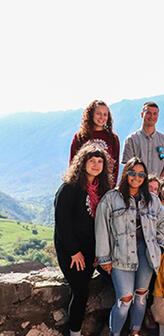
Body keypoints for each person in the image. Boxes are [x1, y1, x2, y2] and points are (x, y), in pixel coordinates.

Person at [95, 157, 164, 336]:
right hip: (120, 255)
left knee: (141, 296)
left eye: (141, 174)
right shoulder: (111, 198)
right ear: (126, 173)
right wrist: (104, 258)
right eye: (133, 173)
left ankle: (134, 332)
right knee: (125, 299)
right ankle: (115, 333)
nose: (137, 177)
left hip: (146, 253)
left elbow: (163, 222)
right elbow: (101, 228)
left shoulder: (151, 199)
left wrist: (159, 243)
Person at [54, 144, 112, 336]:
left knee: (82, 290)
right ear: (82, 163)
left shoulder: (102, 189)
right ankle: (75, 333)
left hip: (91, 249)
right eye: (92, 161)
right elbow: (62, 224)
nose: (96, 165)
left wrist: (98, 253)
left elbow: (102, 225)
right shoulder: (69, 189)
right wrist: (73, 252)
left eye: (100, 161)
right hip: (71, 250)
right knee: (80, 292)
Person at [69, 100, 120, 186]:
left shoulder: (113, 138)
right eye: (98, 113)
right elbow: (72, 163)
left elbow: (115, 165)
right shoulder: (80, 137)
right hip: (82, 185)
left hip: (104, 186)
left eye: (105, 114)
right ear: (91, 114)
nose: (101, 117)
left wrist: (111, 187)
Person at [122, 101, 164, 178]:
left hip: (156, 187)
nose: (151, 116)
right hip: (137, 185)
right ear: (142, 114)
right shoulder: (131, 140)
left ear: (158, 116)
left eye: (155, 114)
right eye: (148, 113)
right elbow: (128, 167)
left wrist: (157, 183)